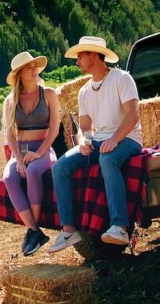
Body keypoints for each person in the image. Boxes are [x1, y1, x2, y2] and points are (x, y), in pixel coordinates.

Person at [47, 36, 144, 253]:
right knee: (60, 167)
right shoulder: (84, 91)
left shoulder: (122, 78)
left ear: (93, 55)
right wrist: (84, 143)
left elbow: (133, 116)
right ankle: (69, 230)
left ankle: (119, 227)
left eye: (80, 56)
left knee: (107, 159)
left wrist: (114, 139)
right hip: (100, 142)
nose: (77, 61)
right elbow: (85, 128)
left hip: (128, 139)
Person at [1, 51, 61, 256]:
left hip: (44, 149)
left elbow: (54, 130)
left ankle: (33, 230)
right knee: (9, 177)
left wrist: (39, 153)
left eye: (35, 66)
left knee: (34, 171)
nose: (35, 70)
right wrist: (17, 159)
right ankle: (34, 230)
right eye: (29, 67)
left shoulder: (50, 94)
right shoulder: (10, 101)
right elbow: (9, 134)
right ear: (19, 73)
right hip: (20, 150)